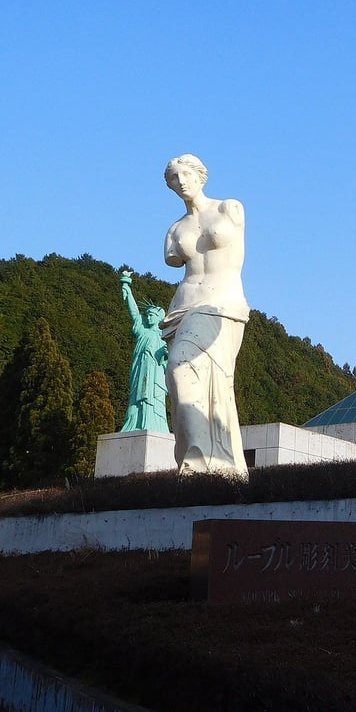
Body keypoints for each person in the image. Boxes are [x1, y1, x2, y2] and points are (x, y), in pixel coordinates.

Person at [159, 154, 249, 475]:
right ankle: (219, 466)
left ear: (200, 176)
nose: (180, 182)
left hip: (222, 303)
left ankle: (198, 462)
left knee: (183, 371)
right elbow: (174, 261)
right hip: (184, 307)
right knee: (186, 379)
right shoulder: (174, 230)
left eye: (185, 174)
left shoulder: (229, 208)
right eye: (173, 178)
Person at [119, 271, 169, 433]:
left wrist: (166, 353)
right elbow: (134, 313)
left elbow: (166, 360)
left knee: (154, 401)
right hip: (140, 370)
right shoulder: (143, 331)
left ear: (159, 317)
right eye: (147, 314)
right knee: (135, 399)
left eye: (152, 314)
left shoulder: (164, 337)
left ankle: (155, 425)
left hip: (156, 376)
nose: (148, 317)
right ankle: (134, 423)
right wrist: (128, 288)